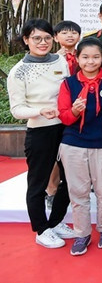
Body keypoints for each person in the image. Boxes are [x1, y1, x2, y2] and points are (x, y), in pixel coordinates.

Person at [7, 19, 74, 248]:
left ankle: (55, 223)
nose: (42, 42)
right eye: (36, 38)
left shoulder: (61, 60)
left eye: (46, 37)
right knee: (38, 182)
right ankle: (41, 229)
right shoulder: (19, 72)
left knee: (70, 179)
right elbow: (17, 110)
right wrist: (39, 111)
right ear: (26, 40)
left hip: (66, 128)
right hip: (40, 131)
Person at [56, 37, 102, 255]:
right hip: (73, 143)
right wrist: (74, 111)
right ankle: (82, 233)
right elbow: (64, 117)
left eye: (96, 57)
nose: (91, 62)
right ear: (77, 58)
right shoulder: (68, 83)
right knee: (78, 192)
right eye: (85, 57)